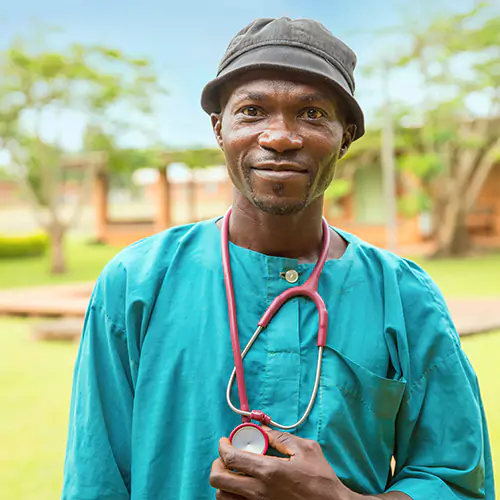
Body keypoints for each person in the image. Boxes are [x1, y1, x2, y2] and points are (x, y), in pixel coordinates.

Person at [62, 17, 494, 500]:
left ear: (346, 136)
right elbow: (96, 479)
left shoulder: (404, 296)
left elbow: (456, 478)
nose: (281, 136)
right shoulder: (136, 282)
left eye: (311, 113)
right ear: (219, 129)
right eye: (252, 111)